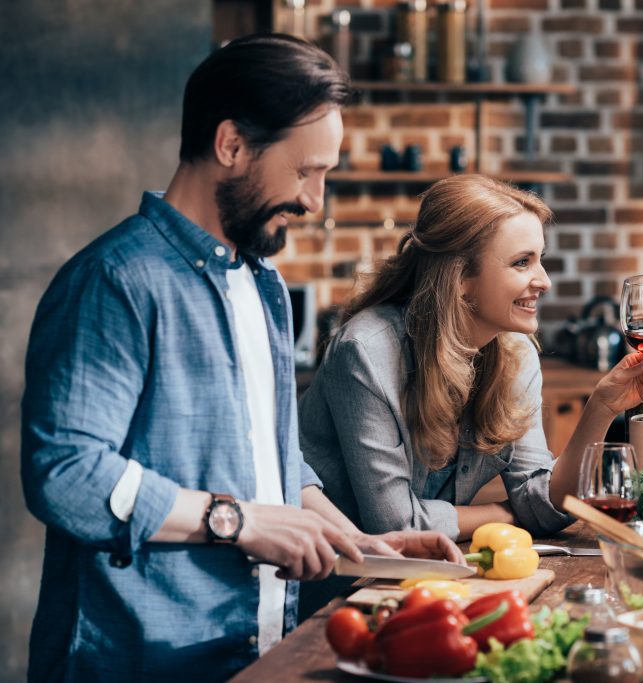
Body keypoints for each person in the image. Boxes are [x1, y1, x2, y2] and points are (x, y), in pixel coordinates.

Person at [20, 34, 459, 683]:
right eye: (307, 171)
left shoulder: (263, 284)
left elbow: (275, 461)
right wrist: (238, 520)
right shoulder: (115, 282)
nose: (316, 200)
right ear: (231, 145)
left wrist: (357, 543)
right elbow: (66, 473)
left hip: (254, 650)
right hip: (137, 661)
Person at [299, 175, 643, 544]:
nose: (544, 281)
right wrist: (507, 513)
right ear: (460, 277)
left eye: (541, 260)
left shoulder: (515, 352)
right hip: (333, 582)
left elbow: (541, 503)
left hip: (427, 572)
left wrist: (601, 407)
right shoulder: (366, 352)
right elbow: (396, 524)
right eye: (522, 262)